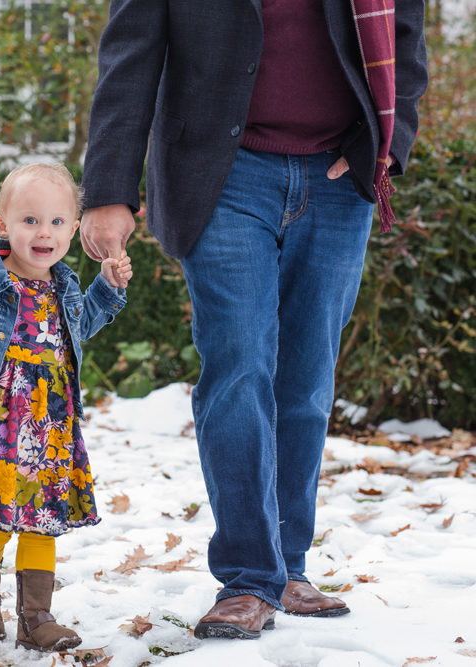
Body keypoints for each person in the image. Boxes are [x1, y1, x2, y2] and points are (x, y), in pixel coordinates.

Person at [79, 0, 427, 640]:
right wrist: (109, 191)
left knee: (307, 380)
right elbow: (128, 59)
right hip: (224, 173)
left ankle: (287, 568)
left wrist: (385, 141)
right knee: (239, 367)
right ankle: (246, 577)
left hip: (336, 176)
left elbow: (404, 39)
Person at [0, 163, 132, 651]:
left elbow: (85, 325)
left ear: (74, 229)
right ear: (3, 226)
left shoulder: (67, 286)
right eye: (30, 221)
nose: (44, 232)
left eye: (57, 222)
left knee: (44, 516)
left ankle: (37, 618)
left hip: (52, 423)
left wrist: (109, 285)